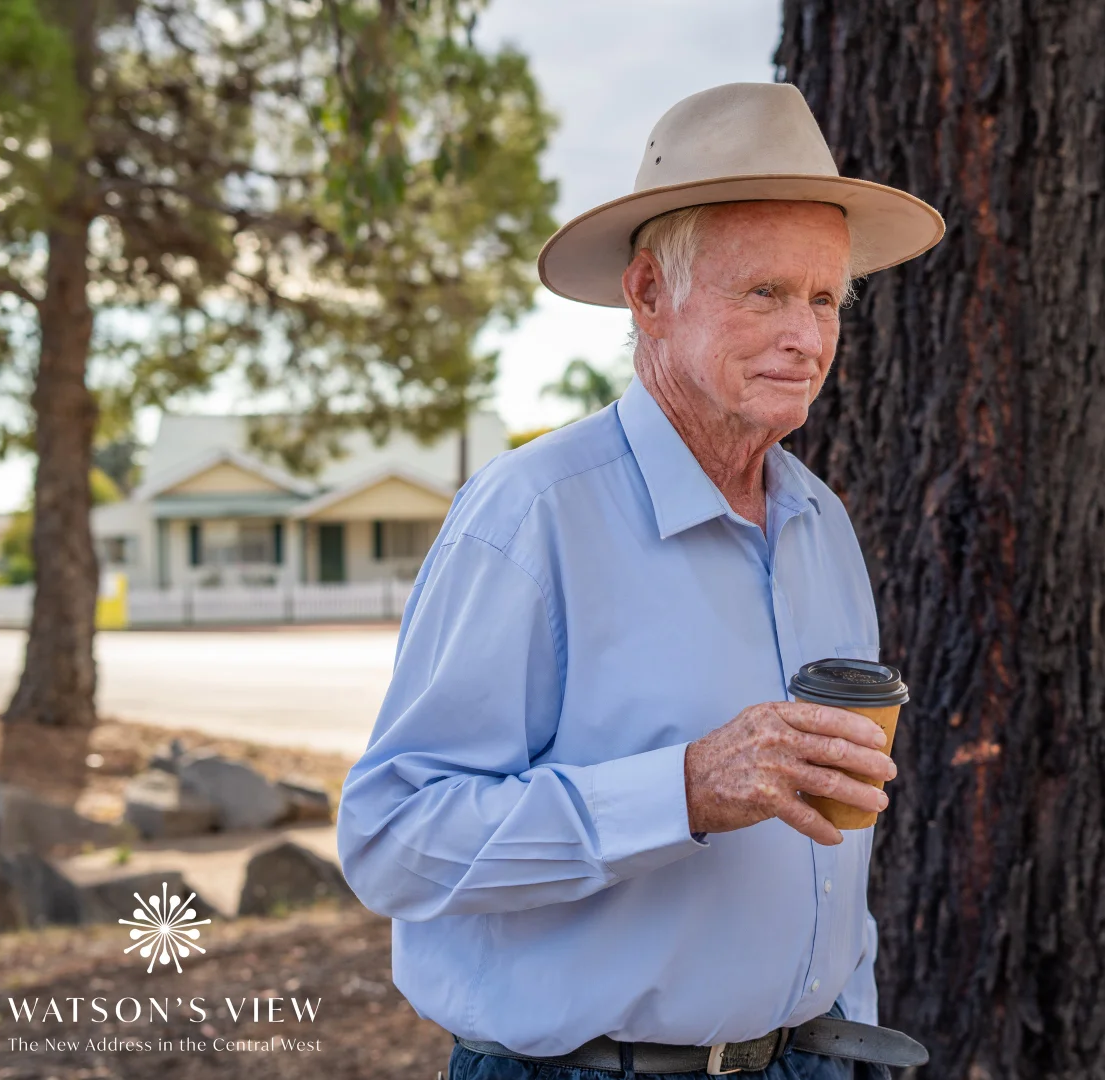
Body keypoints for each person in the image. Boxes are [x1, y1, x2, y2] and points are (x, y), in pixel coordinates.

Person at [335, 82, 945, 1079]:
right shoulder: (530, 516)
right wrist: (687, 789)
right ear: (650, 295)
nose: (807, 337)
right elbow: (394, 841)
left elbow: (830, 855)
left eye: (824, 298)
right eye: (765, 292)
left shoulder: (819, 522)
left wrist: (847, 1020)